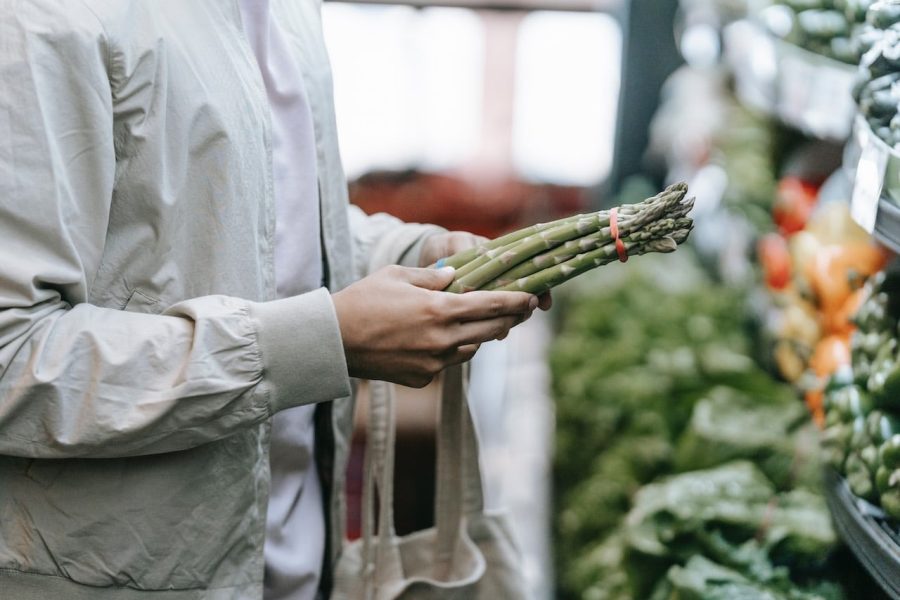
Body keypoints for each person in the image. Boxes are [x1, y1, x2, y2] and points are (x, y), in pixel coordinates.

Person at [0, 2, 550, 599]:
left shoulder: (286, 13)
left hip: (296, 566)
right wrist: (322, 341)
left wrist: (410, 255)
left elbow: (263, 221)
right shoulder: (42, 18)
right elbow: (12, 356)